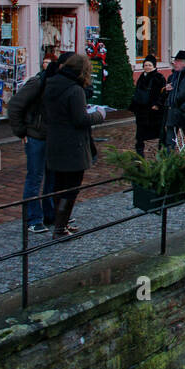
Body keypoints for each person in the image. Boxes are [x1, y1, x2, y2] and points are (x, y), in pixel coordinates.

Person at [42, 53, 105, 239]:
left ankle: (59, 224)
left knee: (59, 185)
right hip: (73, 145)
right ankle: (60, 228)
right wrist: (99, 115)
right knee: (71, 187)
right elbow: (80, 119)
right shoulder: (75, 90)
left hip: (55, 141)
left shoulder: (51, 84)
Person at [7, 53, 58, 235]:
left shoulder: (55, 84)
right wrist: (22, 131)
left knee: (52, 177)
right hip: (35, 137)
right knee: (35, 178)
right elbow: (14, 106)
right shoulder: (36, 83)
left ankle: (50, 213)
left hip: (51, 137)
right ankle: (33, 218)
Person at [129, 54, 166, 156]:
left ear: (154, 66)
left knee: (159, 133)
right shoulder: (142, 76)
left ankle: (162, 152)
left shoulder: (159, 77)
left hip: (153, 112)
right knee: (140, 135)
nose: (147, 67)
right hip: (142, 111)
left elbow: (163, 93)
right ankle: (139, 154)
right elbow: (138, 91)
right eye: (145, 65)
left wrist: (157, 104)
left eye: (149, 65)